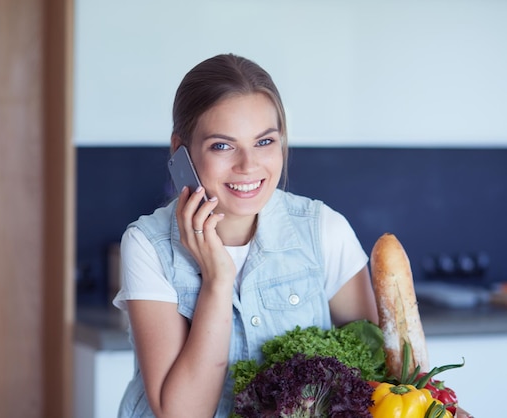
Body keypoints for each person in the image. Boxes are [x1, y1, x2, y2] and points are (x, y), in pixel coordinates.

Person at [112, 53, 378, 418]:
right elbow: (182, 414)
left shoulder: (323, 230)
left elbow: (375, 374)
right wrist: (218, 281)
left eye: (264, 142)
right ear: (180, 152)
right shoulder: (148, 246)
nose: (248, 165)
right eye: (222, 145)